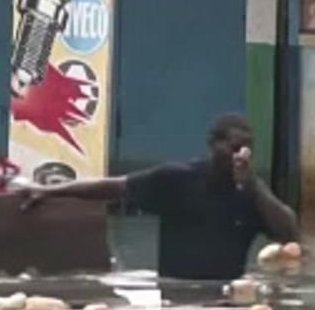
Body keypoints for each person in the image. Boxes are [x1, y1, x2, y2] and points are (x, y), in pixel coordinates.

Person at [20, 113, 300, 280]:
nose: (241, 155)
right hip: (173, 295)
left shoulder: (251, 196)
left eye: (247, 149)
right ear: (213, 145)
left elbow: (290, 234)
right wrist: (49, 191)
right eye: (235, 147)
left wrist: (254, 184)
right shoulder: (176, 180)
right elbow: (113, 187)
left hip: (225, 300)